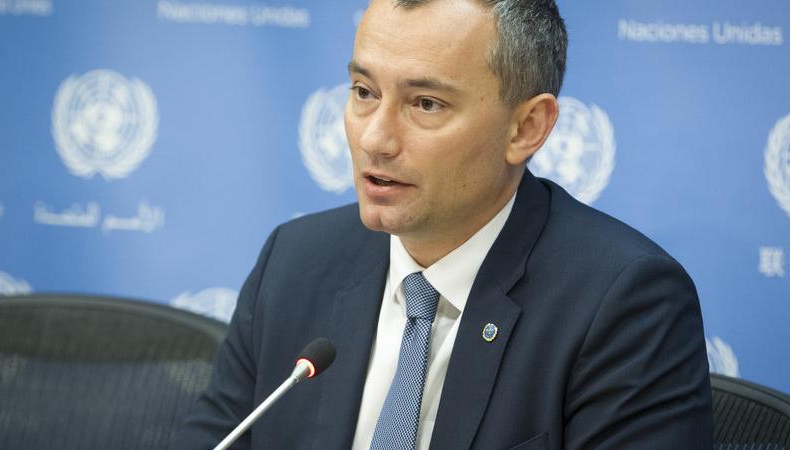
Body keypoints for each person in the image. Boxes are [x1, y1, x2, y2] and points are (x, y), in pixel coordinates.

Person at [172, 0, 713, 448]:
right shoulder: (295, 260)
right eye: (364, 92)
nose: (375, 139)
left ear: (526, 127)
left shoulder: (625, 304)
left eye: (426, 104)